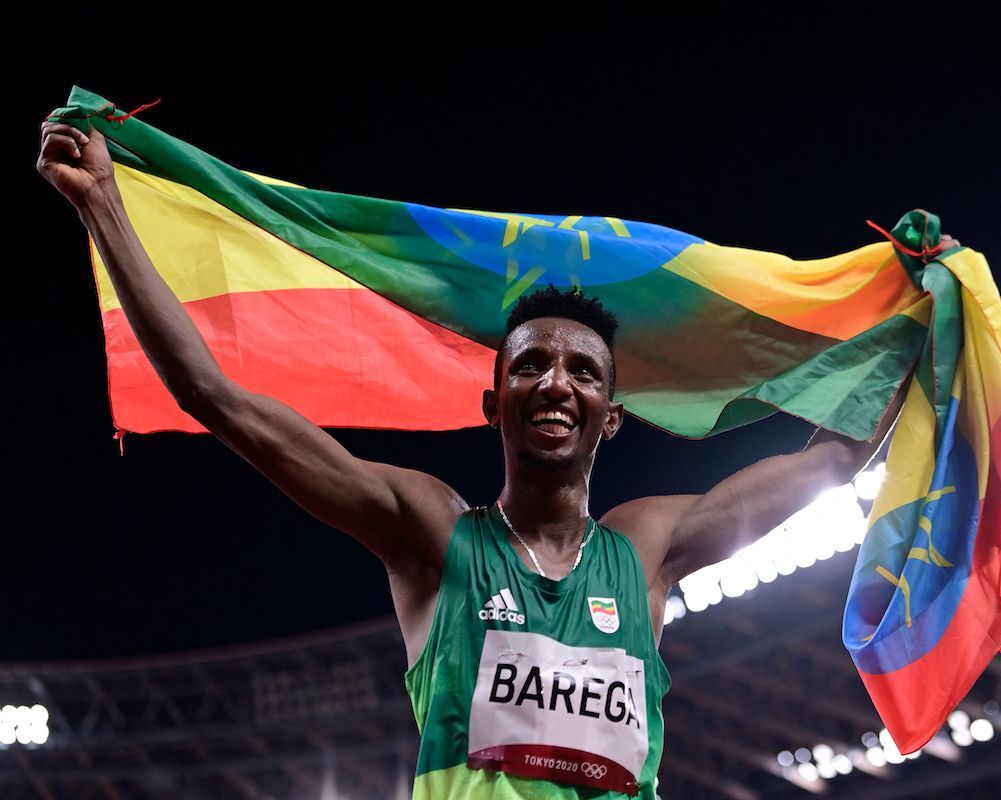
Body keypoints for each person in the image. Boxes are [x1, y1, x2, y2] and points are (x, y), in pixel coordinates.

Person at [38, 120, 912, 799]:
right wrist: (103, 207)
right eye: (530, 364)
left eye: (583, 372)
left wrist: (917, 320)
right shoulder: (433, 534)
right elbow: (214, 396)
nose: (556, 382)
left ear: (611, 417)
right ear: (494, 403)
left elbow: (833, 459)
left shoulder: (646, 549)